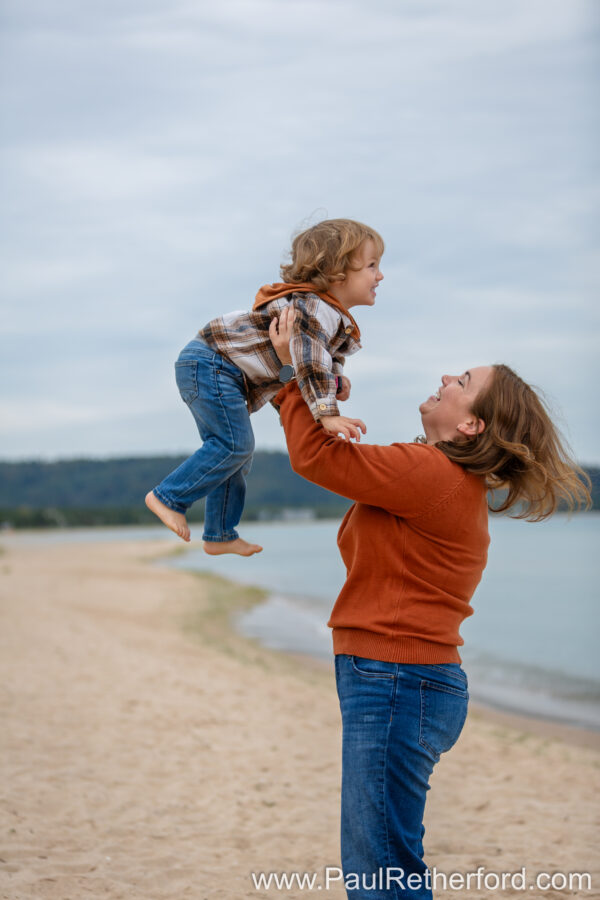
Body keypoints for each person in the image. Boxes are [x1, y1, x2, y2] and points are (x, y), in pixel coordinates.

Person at [269, 306, 590, 900]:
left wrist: (293, 375)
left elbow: (316, 458)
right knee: (386, 862)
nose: (447, 378)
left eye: (462, 383)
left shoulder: (433, 475)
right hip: (402, 678)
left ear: (472, 426)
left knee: (379, 872)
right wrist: (316, 387)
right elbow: (338, 458)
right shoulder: (436, 476)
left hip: (398, 678)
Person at [145, 218, 384, 554]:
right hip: (211, 364)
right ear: (337, 272)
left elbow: (315, 364)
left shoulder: (330, 317)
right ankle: (168, 496)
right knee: (233, 445)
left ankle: (220, 534)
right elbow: (310, 362)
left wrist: (335, 383)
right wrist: (327, 413)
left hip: (218, 370)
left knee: (237, 453)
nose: (380, 275)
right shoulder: (314, 308)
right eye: (372, 266)